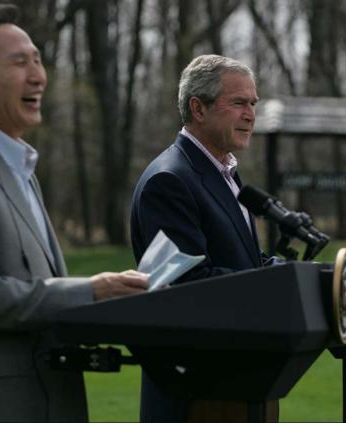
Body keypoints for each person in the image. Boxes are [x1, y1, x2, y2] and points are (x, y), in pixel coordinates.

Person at [0, 5, 148, 422]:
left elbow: (36, 291)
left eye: (37, 59)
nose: (38, 75)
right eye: (19, 62)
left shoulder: (19, 168)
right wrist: (90, 291)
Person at [130, 54, 278, 422]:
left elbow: (239, 260)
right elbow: (185, 286)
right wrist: (272, 284)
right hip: (194, 392)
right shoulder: (171, 180)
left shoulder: (223, 171)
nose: (250, 114)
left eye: (253, 104)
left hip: (235, 381)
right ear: (198, 108)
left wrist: (286, 272)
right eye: (239, 103)